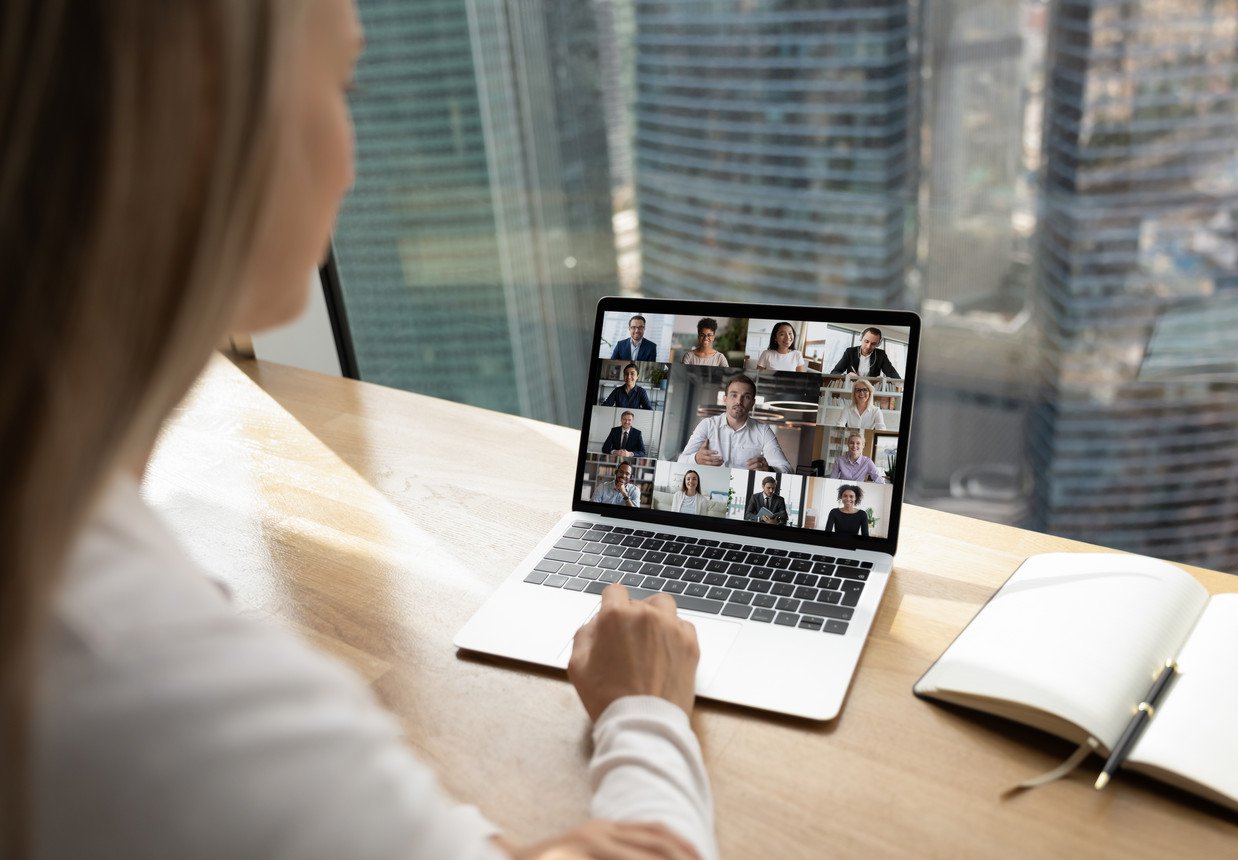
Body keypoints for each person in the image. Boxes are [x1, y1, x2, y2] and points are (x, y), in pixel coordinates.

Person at [1, 3, 715, 858]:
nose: (352, 164)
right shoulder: (151, 689)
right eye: (347, 85)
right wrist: (646, 713)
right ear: (204, 129)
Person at [677, 374, 792, 473]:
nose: (739, 401)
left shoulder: (763, 430)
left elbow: (787, 469)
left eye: (746, 397)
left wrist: (769, 470)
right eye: (734, 395)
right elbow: (681, 460)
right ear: (725, 399)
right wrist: (696, 459)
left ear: (752, 403)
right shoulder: (707, 425)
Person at [830, 327, 901, 378]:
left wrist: (884, 380)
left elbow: (893, 375)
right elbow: (834, 372)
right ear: (861, 338)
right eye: (866, 341)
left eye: (873, 344)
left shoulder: (881, 355)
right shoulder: (850, 352)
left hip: (871, 389)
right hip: (851, 387)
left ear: (878, 344)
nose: (868, 346)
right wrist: (846, 376)